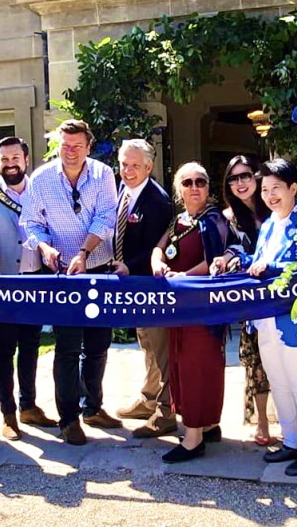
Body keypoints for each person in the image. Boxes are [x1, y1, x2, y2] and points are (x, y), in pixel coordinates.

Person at [20, 119, 120, 445]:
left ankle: (93, 407)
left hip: (98, 267)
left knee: (97, 345)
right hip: (61, 275)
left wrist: (83, 252)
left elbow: (105, 217)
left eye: (77, 146)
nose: (71, 152)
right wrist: (45, 247)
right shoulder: (40, 178)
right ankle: (68, 420)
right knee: (67, 347)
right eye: (65, 146)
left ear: (88, 147)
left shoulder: (104, 174)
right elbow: (31, 224)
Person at [233, 158, 297, 477]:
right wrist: (235, 259)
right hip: (266, 319)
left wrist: (271, 270)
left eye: (277, 188)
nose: (270, 195)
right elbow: (260, 262)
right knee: (281, 384)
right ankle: (292, 442)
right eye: (265, 189)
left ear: (293, 188)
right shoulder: (270, 223)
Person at [0, 136, 58, 440]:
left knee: (31, 345)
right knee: (4, 348)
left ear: (25, 159)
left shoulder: (43, 190)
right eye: (4, 159)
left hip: (36, 277)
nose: (10, 164)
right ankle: (7, 414)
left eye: (15, 158)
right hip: (4, 279)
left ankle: (29, 406)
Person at [151, 162, 228, 463]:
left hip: (202, 309)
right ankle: (207, 425)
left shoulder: (215, 219)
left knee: (198, 367)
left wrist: (184, 277)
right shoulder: (178, 221)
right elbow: (159, 248)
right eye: (187, 182)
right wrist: (157, 263)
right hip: (178, 307)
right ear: (178, 189)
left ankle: (193, 438)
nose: (194, 187)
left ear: (208, 188)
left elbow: (215, 260)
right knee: (183, 365)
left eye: (200, 181)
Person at [111, 139, 177, 438]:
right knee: (147, 343)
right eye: (124, 164)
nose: (127, 170)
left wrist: (130, 265)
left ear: (149, 167)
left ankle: (165, 413)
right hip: (131, 285)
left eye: (135, 165)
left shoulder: (157, 200)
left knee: (160, 347)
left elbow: (157, 246)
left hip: (149, 285)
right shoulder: (121, 192)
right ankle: (148, 399)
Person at [215, 156, 276, 446]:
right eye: (233, 178)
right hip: (251, 302)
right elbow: (228, 252)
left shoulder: (275, 207)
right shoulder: (227, 218)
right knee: (255, 362)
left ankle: (293, 421)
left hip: (282, 296)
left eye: (245, 176)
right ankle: (262, 423)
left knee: (285, 363)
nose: (240, 183)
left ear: (257, 177)